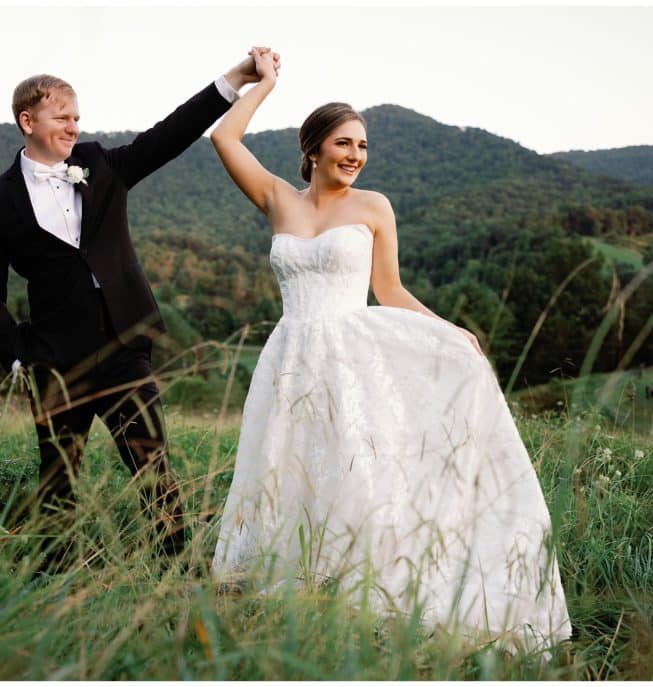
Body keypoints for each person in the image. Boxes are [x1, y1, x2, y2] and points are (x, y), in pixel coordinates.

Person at [209, 49, 571, 648]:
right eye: (344, 144)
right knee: (287, 470)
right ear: (314, 148)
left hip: (353, 362)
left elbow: (389, 289)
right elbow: (225, 135)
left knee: (357, 476)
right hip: (290, 359)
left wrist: (451, 332)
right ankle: (289, 589)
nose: (355, 155)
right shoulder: (277, 198)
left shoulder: (373, 207)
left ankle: (364, 594)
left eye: (363, 146)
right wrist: (264, 81)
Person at [0, 49, 280, 569]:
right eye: (61, 116)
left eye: (76, 116)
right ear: (28, 120)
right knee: (58, 477)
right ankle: (55, 577)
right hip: (53, 359)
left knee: (152, 463)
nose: (74, 125)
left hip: (122, 347)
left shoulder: (99, 164)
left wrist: (236, 80)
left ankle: (175, 573)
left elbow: (169, 135)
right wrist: (18, 357)